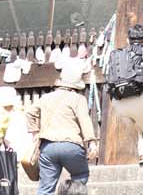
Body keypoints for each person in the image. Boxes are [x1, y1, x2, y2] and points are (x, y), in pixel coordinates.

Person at [27, 57, 98, 195]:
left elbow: (30, 113)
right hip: (71, 146)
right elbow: (85, 120)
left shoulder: (46, 97)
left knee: (45, 188)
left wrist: (35, 132)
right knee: (80, 175)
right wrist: (92, 142)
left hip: (48, 147)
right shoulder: (78, 99)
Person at [104, 22, 143, 166]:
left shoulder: (118, 54)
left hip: (118, 102)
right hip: (140, 97)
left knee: (140, 128)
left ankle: (142, 156)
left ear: (128, 39)